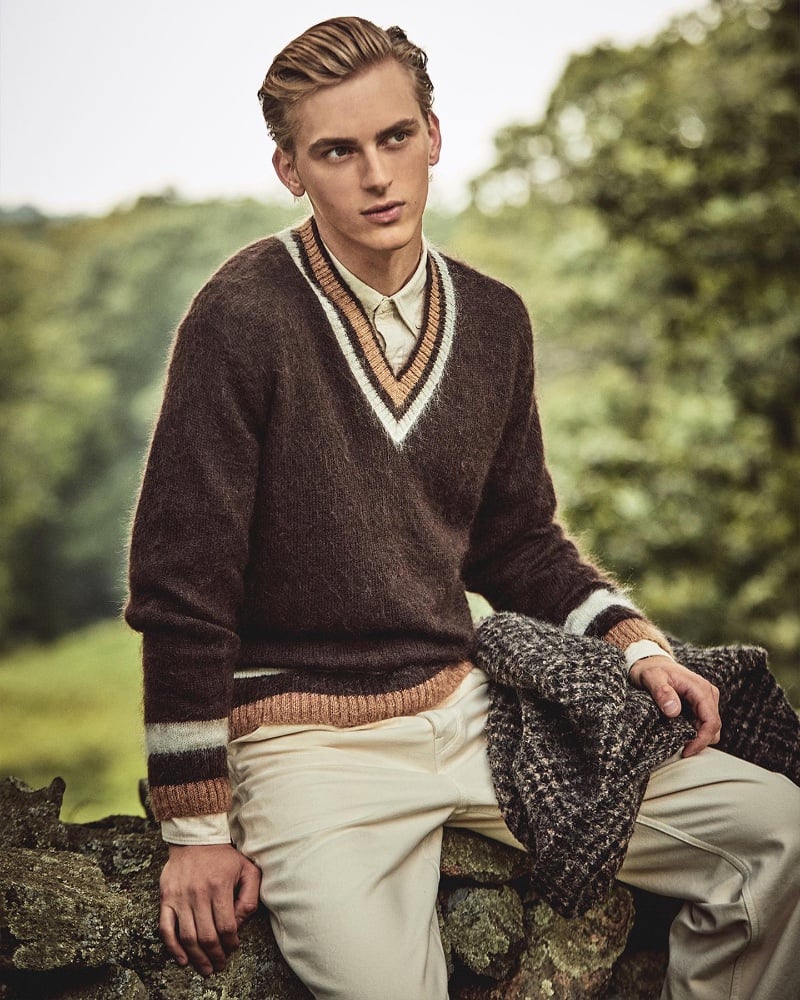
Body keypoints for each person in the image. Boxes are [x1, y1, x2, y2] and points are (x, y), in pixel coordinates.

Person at [125, 16, 800, 1000]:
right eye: (336, 151)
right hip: (307, 748)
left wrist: (638, 647)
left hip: (470, 710)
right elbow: (182, 589)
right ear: (289, 169)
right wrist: (193, 830)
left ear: (432, 136)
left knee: (775, 834)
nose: (375, 175)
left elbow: (516, 540)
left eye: (395, 137)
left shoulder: (491, 319)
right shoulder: (241, 315)